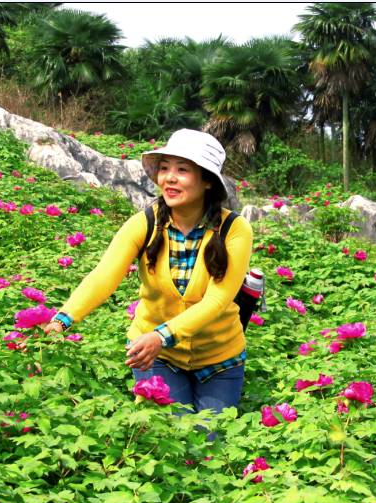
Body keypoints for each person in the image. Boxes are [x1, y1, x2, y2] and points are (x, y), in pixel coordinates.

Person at [44, 129, 253, 415]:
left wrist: (162, 335)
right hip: (157, 356)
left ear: (206, 181)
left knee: (209, 442)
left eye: (182, 170)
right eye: (164, 168)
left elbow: (217, 301)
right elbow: (104, 276)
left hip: (219, 359)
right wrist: (62, 320)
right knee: (169, 435)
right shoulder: (145, 223)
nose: (169, 178)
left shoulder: (235, 230)